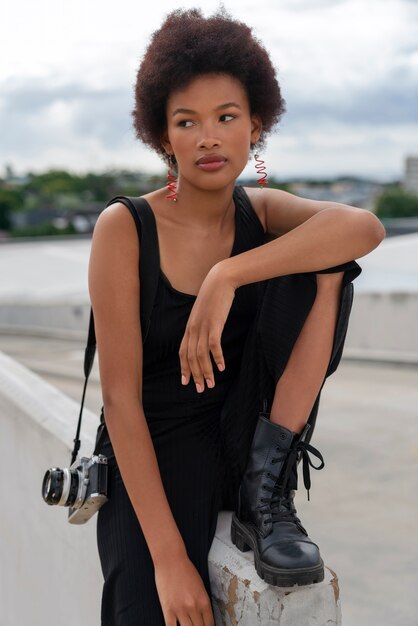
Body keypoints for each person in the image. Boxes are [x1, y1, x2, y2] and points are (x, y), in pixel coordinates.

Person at [88, 7, 385, 626]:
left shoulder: (260, 211)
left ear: (256, 126)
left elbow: (364, 227)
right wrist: (168, 559)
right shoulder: (125, 229)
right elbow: (119, 401)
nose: (208, 137)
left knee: (328, 262)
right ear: (161, 136)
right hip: (154, 454)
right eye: (186, 122)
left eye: (226, 118)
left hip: (240, 443)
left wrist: (230, 274)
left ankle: (269, 485)